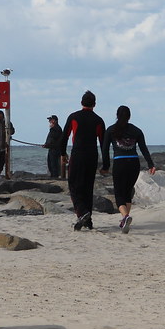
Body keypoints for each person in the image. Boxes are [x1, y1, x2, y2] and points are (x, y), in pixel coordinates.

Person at [102, 105, 155, 234]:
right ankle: (125, 220)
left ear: (117, 115)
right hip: (134, 163)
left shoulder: (110, 130)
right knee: (127, 192)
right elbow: (144, 149)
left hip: (120, 162)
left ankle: (125, 217)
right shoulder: (136, 130)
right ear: (129, 116)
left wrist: (106, 166)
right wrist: (151, 164)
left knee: (119, 193)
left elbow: (104, 150)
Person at [62, 90, 105, 231]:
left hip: (78, 154)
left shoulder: (74, 117)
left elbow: (65, 136)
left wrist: (63, 153)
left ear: (81, 102)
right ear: (95, 104)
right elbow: (103, 143)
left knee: (74, 185)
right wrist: (106, 163)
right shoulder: (99, 120)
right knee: (88, 187)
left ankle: (82, 212)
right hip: (92, 155)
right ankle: (88, 220)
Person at [42, 115, 65, 179]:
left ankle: (54, 176)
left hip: (54, 149)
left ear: (54, 121)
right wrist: (46, 145)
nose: (49, 121)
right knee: (51, 164)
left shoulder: (55, 129)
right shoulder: (55, 128)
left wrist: (47, 145)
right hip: (53, 148)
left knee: (53, 164)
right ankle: (54, 175)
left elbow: (53, 139)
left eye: (51, 120)